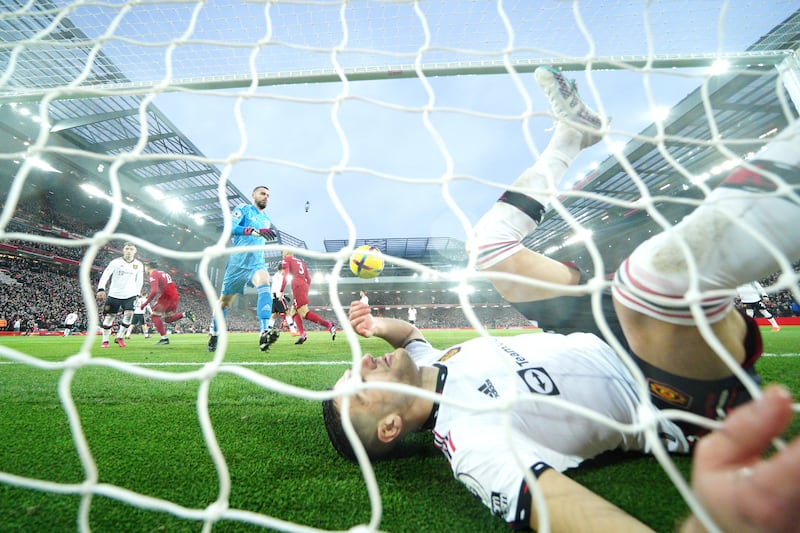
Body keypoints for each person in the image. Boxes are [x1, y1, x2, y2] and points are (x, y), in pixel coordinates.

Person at [322, 66, 800, 531]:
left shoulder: (431, 362)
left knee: (488, 250)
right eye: (360, 386)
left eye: (355, 364)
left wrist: (378, 326)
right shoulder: (470, 441)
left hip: (594, 328)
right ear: (388, 427)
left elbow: (410, 335)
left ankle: (573, 134)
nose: (364, 362)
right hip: (666, 391)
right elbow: (564, 512)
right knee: (651, 283)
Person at [207, 185, 279, 353]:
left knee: (264, 282)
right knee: (224, 304)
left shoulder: (267, 219)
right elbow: (230, 228)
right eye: (263, 193)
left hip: (257, 263)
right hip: (237, 264)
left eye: (268, 195)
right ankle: (215, 335)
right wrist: (253, 231)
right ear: (253, 195)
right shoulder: (243, 209)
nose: (266, 197)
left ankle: (264, 331)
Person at [279, 250, 336, 345]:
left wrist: (281, 290)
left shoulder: (286, 259)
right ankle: (302, 334)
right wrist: (305, 288)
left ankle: (329, 325)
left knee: (304, 312)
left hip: (297, 285)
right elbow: (309, 278)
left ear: (285, 254)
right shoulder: (300, 262)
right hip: (303, 285)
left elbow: (286, 275)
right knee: (293, 311)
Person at [96, 242, 144, 348]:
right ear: (123, 250)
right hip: (114, 294)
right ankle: (105, 341)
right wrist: (101, 288)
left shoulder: (139, 265)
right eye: (127, 248)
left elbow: (139, 281)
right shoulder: (115, 262)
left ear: (135, 251)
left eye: (131, 249)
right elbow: (106, 274)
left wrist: (137, 294)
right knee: (109, 317)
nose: (129, 251)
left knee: (129, 316)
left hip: (130, 294)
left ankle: (119, 337)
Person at [142, 262, 197, 345]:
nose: (144, 269)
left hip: (167, 296)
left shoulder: (153, 274)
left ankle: (164, 338)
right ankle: (185, 314)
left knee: (155, 316)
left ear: (148, 267)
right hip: (174, 295)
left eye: (145, 267)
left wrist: (145, 303)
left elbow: (154, 291)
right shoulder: (163, 272)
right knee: (168, 319)